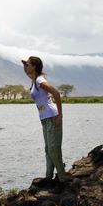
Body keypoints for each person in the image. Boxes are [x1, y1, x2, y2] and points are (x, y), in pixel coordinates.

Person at [22, 56, 67, 193]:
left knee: (54, 149)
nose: (26, 67)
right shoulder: (35, 81)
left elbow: (56, 93)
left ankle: (63, 181)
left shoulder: (40, 81)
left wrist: (60, 115)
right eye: (25, 65)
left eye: (28, 64)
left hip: (52, 117)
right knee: (48, 149)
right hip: (45, 119)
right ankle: (48, 178)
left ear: (35, 66)